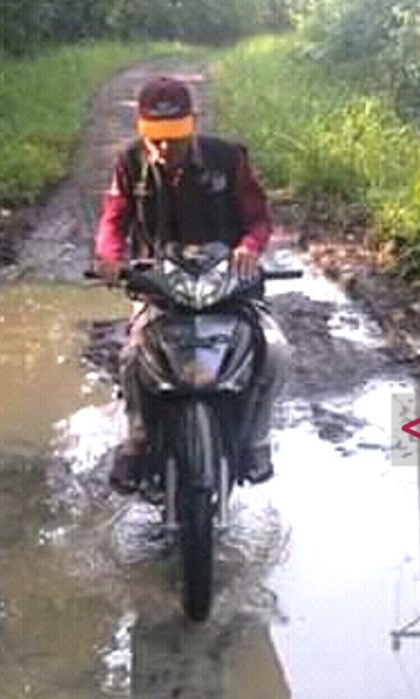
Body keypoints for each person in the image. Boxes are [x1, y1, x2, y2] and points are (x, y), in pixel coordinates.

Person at [93, 75, 289, 493]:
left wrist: (250, 246)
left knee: (274, 351)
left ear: (193, 124)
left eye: (176, 138)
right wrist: (110, 256)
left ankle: (257, 440)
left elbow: (257, 217)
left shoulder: (229, 159)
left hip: (228, 284)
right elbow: (114, 217)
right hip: (160, 286)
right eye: (157, 139)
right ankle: (137, 439)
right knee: (131, 356)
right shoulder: (130, 164)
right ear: (142, 130)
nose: (166, 149)